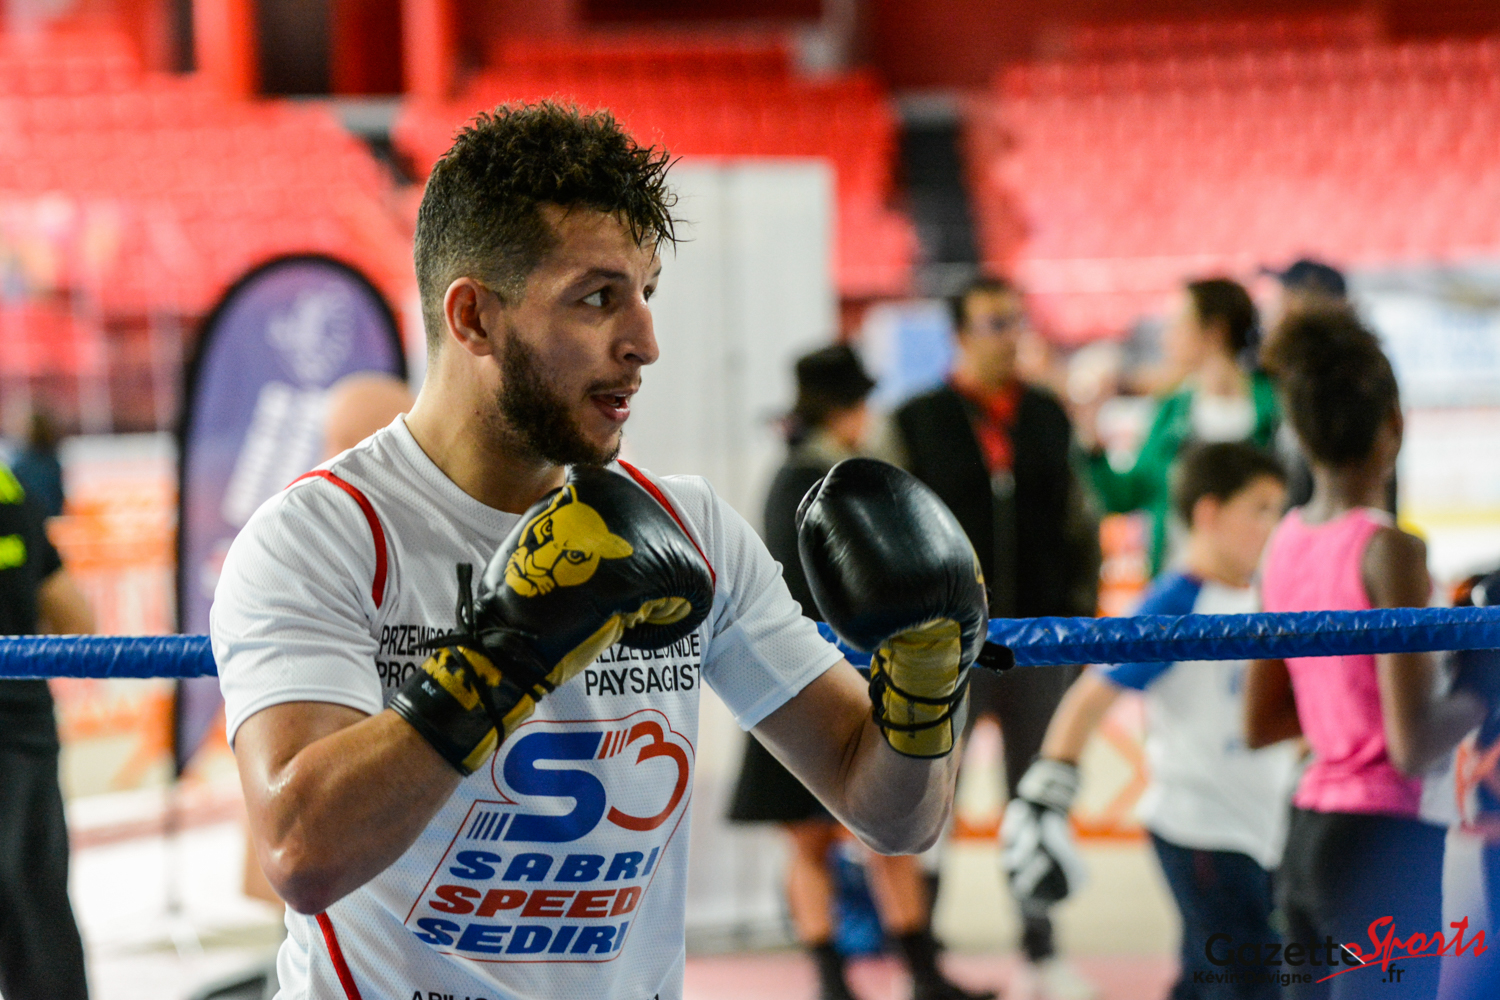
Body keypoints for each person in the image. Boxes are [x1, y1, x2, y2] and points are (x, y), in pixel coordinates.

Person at [212, 103, 989, 1000]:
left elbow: (890, 814)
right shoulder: (321, 537)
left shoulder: (689, 529)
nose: (644, 344)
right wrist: (506, 654)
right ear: (473, 318)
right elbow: (300, 854)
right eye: (596, 298)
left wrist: (926, 690)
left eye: (645, 292)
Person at [728, 344, 992, 1000]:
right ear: (841, 408)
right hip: (806, 677)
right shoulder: (806, 480)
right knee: (815, 843)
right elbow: (798, 593)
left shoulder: (832, 475)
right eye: (860, 403)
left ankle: (919, 973)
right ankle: (839, 980)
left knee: (885, 835)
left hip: (848, 671)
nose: (868, 415)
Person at [1245, 306, 1486, 1000]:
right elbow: (1411, 746)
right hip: (1384, 845)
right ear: (1395, 425)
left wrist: (1349, 701)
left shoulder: (1284, 542)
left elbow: (1261, 720)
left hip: (1305, 837)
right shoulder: (1391, 550)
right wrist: (1483, 689)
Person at [1004, 442, 1298, 1000]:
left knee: (1209, 979)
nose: (1273, 526)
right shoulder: (1174, 604)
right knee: (1247, 982)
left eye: (1277, 511)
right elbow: (1089, 697)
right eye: (1260, 509)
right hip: (1202, 829)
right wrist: (1044, 802)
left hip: (1260, 827)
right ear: (1209, 513)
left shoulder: (1265, 596)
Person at [874, 275, 1100, 1000]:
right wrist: (905, 634)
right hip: (942, 649)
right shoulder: (915, 419)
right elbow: (889, 532)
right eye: (994, 322)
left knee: (1035, 796)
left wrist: (1079, 620)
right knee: (929, 796)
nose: (1010, 335)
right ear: (960, 334)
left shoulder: (1047, 415)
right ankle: (924, 955)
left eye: (1015, 320)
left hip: (1038, 640)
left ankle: (1041, 946)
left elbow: (1079, 521)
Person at [1082, 278, 1278, 578]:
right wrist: (1093, 447)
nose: (1166, 336)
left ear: (1215, 330)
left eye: (1177, 324)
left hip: (1257, 582)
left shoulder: (1273, 406)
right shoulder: (1172, 410)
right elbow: (1126, 496)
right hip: (1182, 581)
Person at [0, 461, 96, 1000]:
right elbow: (78, 622)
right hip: (26, 738)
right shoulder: (10, 488)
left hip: (23, 737)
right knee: (40, 924)